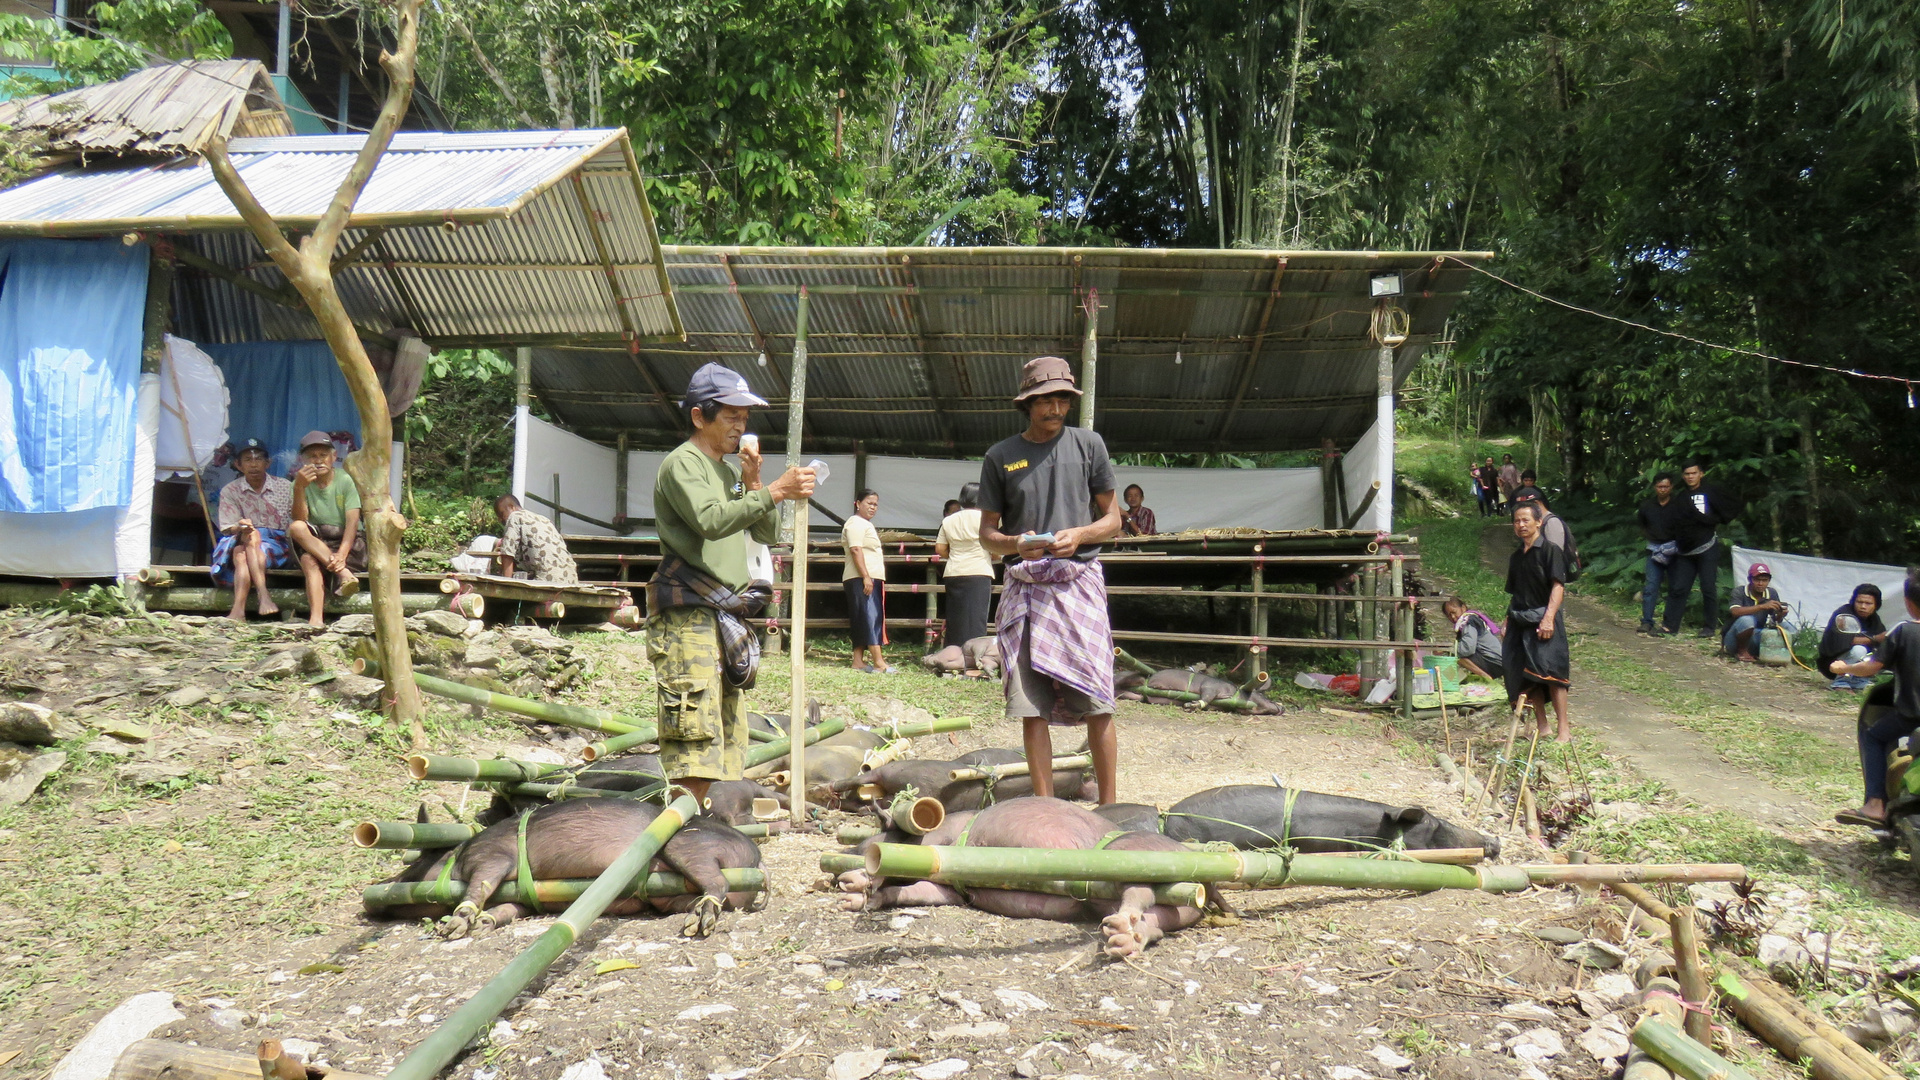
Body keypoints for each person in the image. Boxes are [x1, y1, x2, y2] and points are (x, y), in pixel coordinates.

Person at [648, 362, 814, 808]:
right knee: (694, 733)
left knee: (726, 730)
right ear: (699, 416)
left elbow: (765, 534)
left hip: (724, 613)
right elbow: (712, 520)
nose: (740, 426)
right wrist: (776, 490)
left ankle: (705, 822)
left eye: (745, 417)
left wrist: (756, 483)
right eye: (730, 416)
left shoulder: (726, 471)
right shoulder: (682, 463)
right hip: (690, 614)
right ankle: (681, 828)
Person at [979, 355, 1124, 805]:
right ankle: (1044, 808)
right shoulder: (1001, 456)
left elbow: (1114, 519)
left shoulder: (1089, 445)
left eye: (1062, 398)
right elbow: (987, 535)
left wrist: (1080, 534)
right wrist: (1016, 544)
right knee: (1031, 706)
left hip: (1078, 582)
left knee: (1099, 701)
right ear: (1027, 404)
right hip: (1026, 589)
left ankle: (1111, 805)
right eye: (1045, 400)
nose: (1056, 408)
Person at [1831, 575, 1920, 829]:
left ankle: (1875, 804)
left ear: (1908, 602)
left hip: (1911, 715)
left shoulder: (1904, 631)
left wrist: (1844, 667)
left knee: (1873, 735)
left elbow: (1872, 667)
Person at [1505, 503, 1572, 741]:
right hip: (1520, 620)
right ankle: (1543, 726)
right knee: (1526, 675)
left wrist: (1548, 619)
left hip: (1545, 619)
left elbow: (1558, 586)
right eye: (1516, 521)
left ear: (1538, 523)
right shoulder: (1516, 557)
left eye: (1525, 520)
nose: (1521, 525)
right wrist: (1506, 623)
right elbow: (1515, 593)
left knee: (1553, 673)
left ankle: (1564, 729)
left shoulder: (1550, 550)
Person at [211, 439, 295, 621]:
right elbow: (228, 528)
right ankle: (262, 597)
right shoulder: (230, 490)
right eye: (248, 459)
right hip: (241, 538)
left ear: (268, 463)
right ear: (238, 465)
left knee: (242, 555)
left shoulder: (285, 487)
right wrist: (241, 526)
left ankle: (239, 610)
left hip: (277, 543)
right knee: (250, 536)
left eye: (258, 459)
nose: (254, 464)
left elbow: (295, 521)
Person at [288, 430, 364, 626]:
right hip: (318, 541)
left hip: (348, 544)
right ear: (303, 460)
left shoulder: (345, 480)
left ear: (333, 457)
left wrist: (341, 555)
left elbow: (352, 523)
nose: (318, 461)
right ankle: (317, 618)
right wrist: (299, 488)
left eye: (323, 455)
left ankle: (316, 616)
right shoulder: (300, 483)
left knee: (308, 557)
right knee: (298, 532)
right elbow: (300, 519)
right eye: (312, 456)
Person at [1663, 459, 1743, 638]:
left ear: (1701, 474)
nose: (1691, 477)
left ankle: (1709, 627)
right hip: (1685, 550)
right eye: (1687, 474)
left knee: (1708, 587)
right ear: (1683, 476)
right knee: (1679, 587)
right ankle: (1670, 625)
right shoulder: (1681, 498)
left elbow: (1731, 507)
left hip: (1707, 546)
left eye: (1694, 473)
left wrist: (1713, 520)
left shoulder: (1712, 491)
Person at [935, 482, 993, 648]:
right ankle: (973, 659)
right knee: (976, 619)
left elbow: (940, 549)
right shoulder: (986, 520)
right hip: (979, 571)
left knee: (955, 618)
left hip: (954, 571)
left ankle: (953, 656)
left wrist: (954, 555)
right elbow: (995, 548)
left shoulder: (949, 520)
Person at [842, 488, 892, 673]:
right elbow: (856, 550)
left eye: (875, 504)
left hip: (866, 577)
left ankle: (858, 660)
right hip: (861, 577)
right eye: (869, 503)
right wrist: (866, 577)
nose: (873, 507)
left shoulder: (864, 524)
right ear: (858, 503)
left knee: (862, 618)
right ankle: (879, 662)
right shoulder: (855, 523)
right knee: (871, 617)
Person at [493, 495, 579, 584]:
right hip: (571, 579)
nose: (500, 519)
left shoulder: (514, 516)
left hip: (549, 580)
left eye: (501, 514)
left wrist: (506, 584)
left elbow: (507, 553)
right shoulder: (543, 519)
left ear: (512, 507)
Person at [1636, 473, 1683, 634]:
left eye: (1666, 486)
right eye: (1660, 486)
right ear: (1655, 487)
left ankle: (1669, 622)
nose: (1663, 490)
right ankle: (1647, 621)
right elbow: (1642, 524)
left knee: (1675, 587)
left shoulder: (1678, 505)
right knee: (1651, 586)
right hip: (1654, 548)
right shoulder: (1647, 506)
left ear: (1671, 487)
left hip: (1675, 549)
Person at [1819, 584, 1889, 691]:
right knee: (1859, 650)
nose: (1863, 606)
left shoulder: (1874, 619)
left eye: (1868, 603)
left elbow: (1881, 642)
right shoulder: (1843, 615)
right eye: (1859, 602)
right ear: (1853, 601)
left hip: (1857, 664)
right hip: (1832, 663)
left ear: (1876, 605)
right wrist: (1875, 638)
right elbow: (1844, 641)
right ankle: (1840, 682)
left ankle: (1859, 681)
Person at [1723, 563, 1788, 662]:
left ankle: (1781, 655)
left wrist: (1780, 614)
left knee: (1788, 627)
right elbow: (1735, 612)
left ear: (1769, 581)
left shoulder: (1772, 593)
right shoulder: (1739, 591)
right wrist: (1762, 606)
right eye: (1757, 580)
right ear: (1750, 580)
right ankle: (1742, 652)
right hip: (1734, 638)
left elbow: (1775, 620)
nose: (1760, 583)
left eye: (1764, 580)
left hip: (1757, 634)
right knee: (1747, 620)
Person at [1442, 596, 1504, 681]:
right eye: (1449, 615)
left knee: (1454, 655)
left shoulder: (1469, 621)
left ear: (1463, 608)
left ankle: (1486, 677)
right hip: (1493, 660)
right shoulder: (1465, 623)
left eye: (1454, 612)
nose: (1452, 617)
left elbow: (1468, 649)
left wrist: (1447, 649)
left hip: (1495, 662)